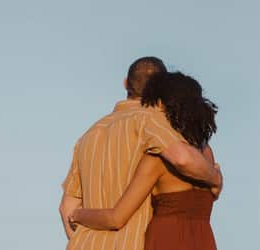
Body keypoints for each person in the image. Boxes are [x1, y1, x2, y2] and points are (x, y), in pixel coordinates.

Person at [59, 57, 222, 250]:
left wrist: (85, 240)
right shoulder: (154, 123)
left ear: (126, 83)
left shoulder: (88, 136)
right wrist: (215, 179)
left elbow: (66, 208)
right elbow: (182, 158)